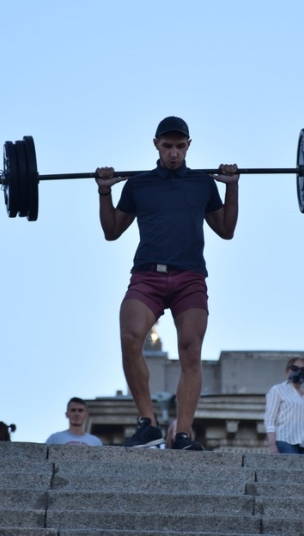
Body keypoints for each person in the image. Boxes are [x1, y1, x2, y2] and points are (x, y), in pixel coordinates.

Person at [95, 116, 239, 451]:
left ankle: (184, 433)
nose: (173, 152)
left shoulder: (203, 183)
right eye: (167, 146)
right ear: (156, 145)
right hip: (147, 274)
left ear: (188, 146)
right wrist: (104, 191)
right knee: (130, 337)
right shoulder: (138, 184)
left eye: (179, 146)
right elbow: (112, 231)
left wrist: (232, 185)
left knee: (191, 350)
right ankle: (148, 423)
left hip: (189, 276)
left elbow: (226, 230)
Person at [265, 357, 304, 455]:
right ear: (288, 371)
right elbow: (270, 418)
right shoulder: (278, 390)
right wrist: (272, 444)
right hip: (285, 441)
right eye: (295, 368)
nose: (299, 372)